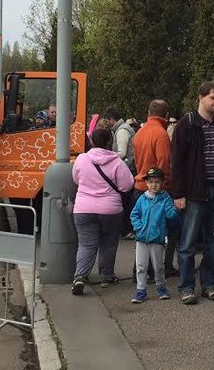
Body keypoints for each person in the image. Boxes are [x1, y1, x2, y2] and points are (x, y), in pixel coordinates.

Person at [171, 81, 214, 305]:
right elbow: (176, 163)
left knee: (213, 241)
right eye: (213, 97)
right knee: (188, 242)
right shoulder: (186, 125)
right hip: (194, 192)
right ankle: (187, 286)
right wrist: (178, 194)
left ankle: (208, 283)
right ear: (200, 98)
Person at [70, 127, 134, 295]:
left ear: (91, 142)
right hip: (110, 210)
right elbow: (127, 186)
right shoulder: (117, 162)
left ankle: (80, 276)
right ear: (109, 142)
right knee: (108, 243)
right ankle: (106, 276)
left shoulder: (82, 159)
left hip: (83, 208)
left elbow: (76, 179)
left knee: (86, 244)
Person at [132, 99, 176, 274]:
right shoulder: (161, 134)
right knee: (163, 231)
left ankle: (140, 269)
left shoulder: (139, 133)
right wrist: (164, 187)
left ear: (149, 114)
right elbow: (164, 163)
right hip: (156, 189)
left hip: (139, 187)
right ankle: (160, 267)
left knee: (144, 233)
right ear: (165, 115)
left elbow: (136, 161)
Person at [129, 167, 178, 303]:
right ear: (146, 183)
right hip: (141, 238)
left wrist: (175, 209)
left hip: (157, 239)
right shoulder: (142, 199)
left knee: (158, 266)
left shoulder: (165, 198)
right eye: (150, 182)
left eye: (157, 182)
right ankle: (140, 290)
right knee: (141, 266)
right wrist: (138, 228)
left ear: (162, 183)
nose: (153, 185)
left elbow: (171, 215)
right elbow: (135, 214)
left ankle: (161, 287)